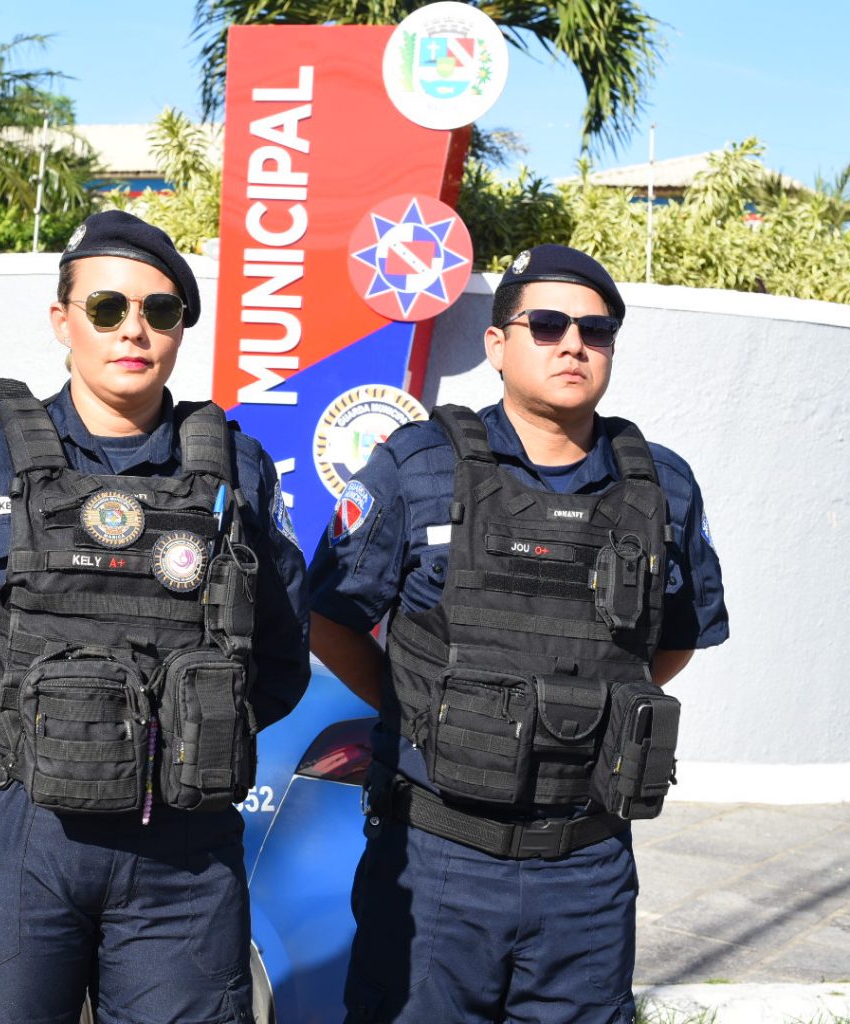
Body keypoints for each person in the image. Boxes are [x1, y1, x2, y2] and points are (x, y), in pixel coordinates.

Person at [0, 210, 311, 1023]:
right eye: (108, 309)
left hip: (178, 850)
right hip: (14, 832)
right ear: (63, 321)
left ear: (182, 329)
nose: (135, 331)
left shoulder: (236, 470)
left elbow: (283, 656)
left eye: (161, 311)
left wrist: (185, 737)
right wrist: (24, 739)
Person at [307, 244, 729, 1024]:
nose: (574, 343)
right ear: (497, 346)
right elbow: (328, 616)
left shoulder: (660, 484)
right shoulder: (421, 464)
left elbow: (678, 637)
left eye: (596, 330)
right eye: (547, 324)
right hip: (439, 859)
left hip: (590, 864)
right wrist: (415, 707)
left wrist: (595, 703)